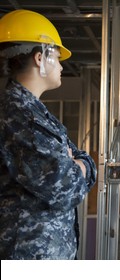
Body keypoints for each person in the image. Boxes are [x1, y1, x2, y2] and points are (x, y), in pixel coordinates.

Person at [0, 9, 97, 260]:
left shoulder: (34, 113)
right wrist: (78, 165)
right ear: (40, 58)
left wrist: (76, 163)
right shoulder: (17, 116)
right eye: (57, 56)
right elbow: (64, 187)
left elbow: (80, 161)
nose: (62, 65)